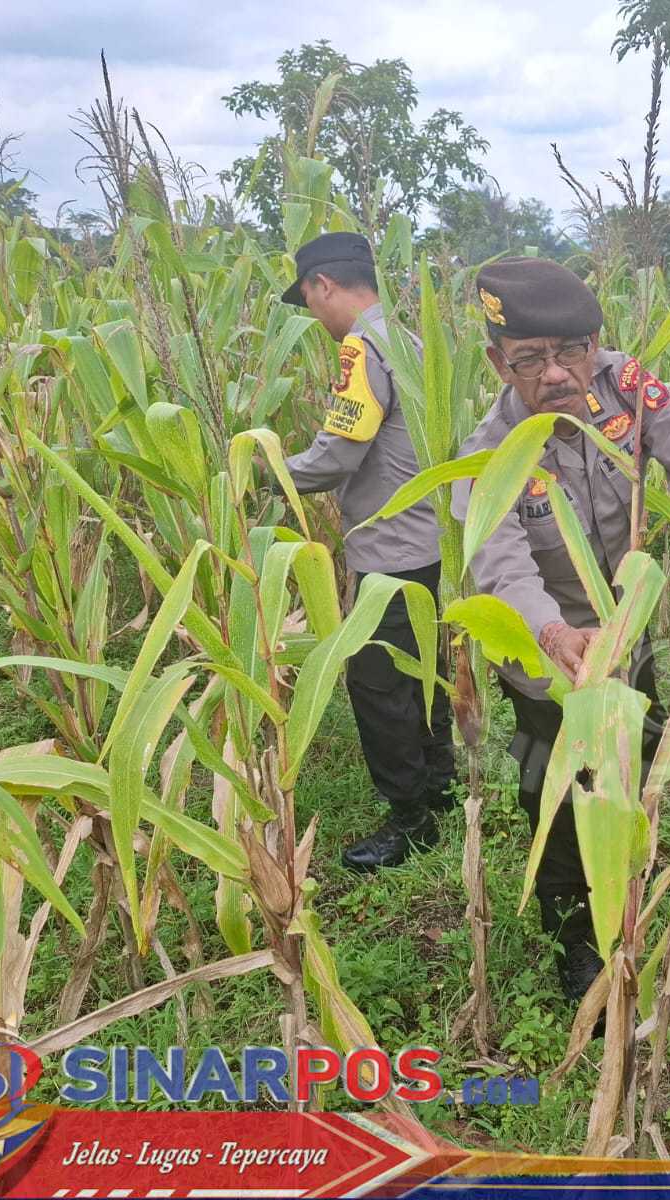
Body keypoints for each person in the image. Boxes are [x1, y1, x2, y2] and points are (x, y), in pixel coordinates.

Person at [453, 256, 670, 1001]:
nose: (559, 374)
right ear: (498, 363)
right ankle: (577, 939)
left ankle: (643, 886)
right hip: (550, 658)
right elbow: (501, 566)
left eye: (573, 350)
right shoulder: (489, 453)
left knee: (645, 759)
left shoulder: (628, 386)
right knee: (557, 793)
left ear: (596, 341)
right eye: (532, 359)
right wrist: (554, 636)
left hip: (629, 635)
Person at [280, 232, 457, 872]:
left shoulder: (363, 345)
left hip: (389, 548)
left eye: (308, 300)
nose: (313, 317)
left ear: (323, 284)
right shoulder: (406, 340)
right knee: (422, 668)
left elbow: (340, 451)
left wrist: (269, 468)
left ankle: (410, 820)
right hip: (429, 539)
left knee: (378, 683)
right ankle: (440, 781)